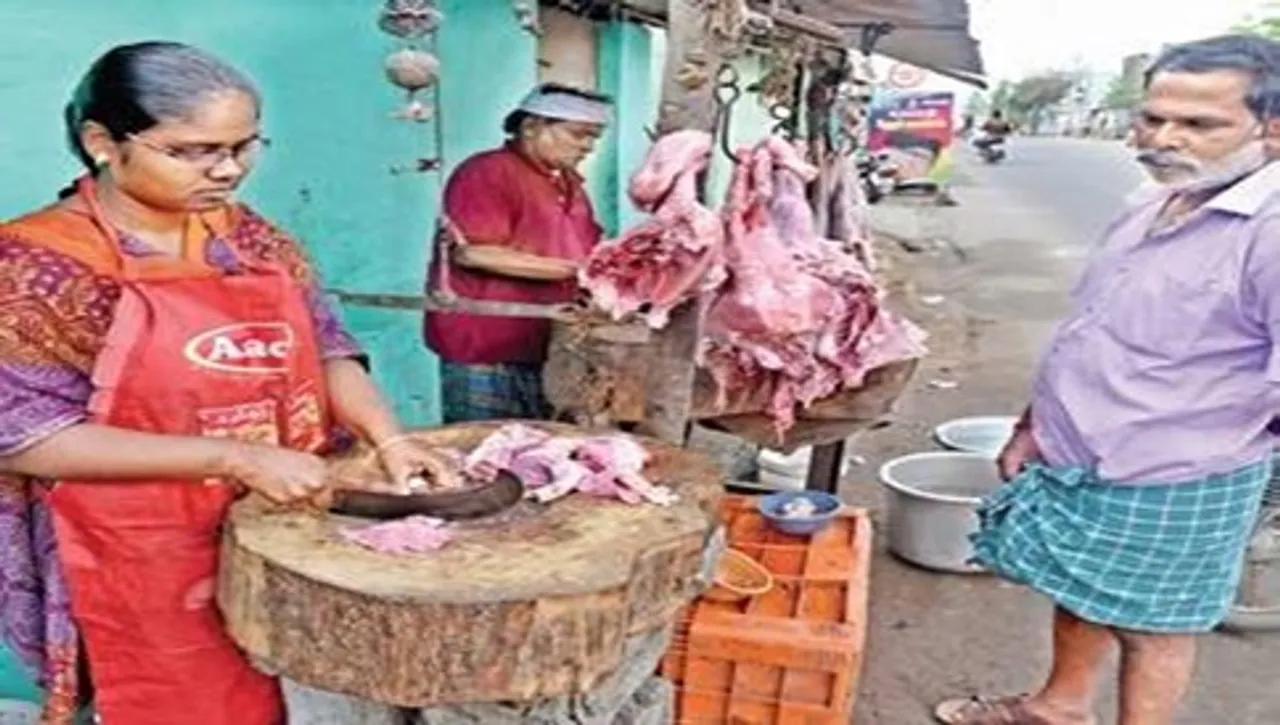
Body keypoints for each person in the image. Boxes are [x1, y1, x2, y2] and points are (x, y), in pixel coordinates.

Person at [0, 42, 455, 725]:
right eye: (190, 150)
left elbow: (326, 343)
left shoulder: (249, 238)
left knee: (299, 690)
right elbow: (24, 438)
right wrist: (235, 457)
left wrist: (387, 437)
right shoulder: (37, 262)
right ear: (102, 141)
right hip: (136, 545)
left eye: (245, 146)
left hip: (289, 523)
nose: (228, 169)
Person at [936, 34, 1280, 725]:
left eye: (1199, 123)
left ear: (1271, 128)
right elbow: (1096, 323)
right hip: (1078, 448)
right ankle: (1058, 706)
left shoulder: (1268, 231)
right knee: (1081, 588)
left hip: (1177, 472)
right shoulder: (1153, 198)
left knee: (1155, 627)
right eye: (1152, 117)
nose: (1163, 137)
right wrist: (1034, 421)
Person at [424, 83, 611, 423]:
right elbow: (474, 254)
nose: (588, 146)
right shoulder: (488, 171)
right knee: (486, 455)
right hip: (486, 348)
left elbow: (592, 249)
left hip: (547, 347)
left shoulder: (569, 183)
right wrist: (578, 271)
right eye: (579, 134)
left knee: (541, 455)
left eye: (595, 137)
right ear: (531, 127)